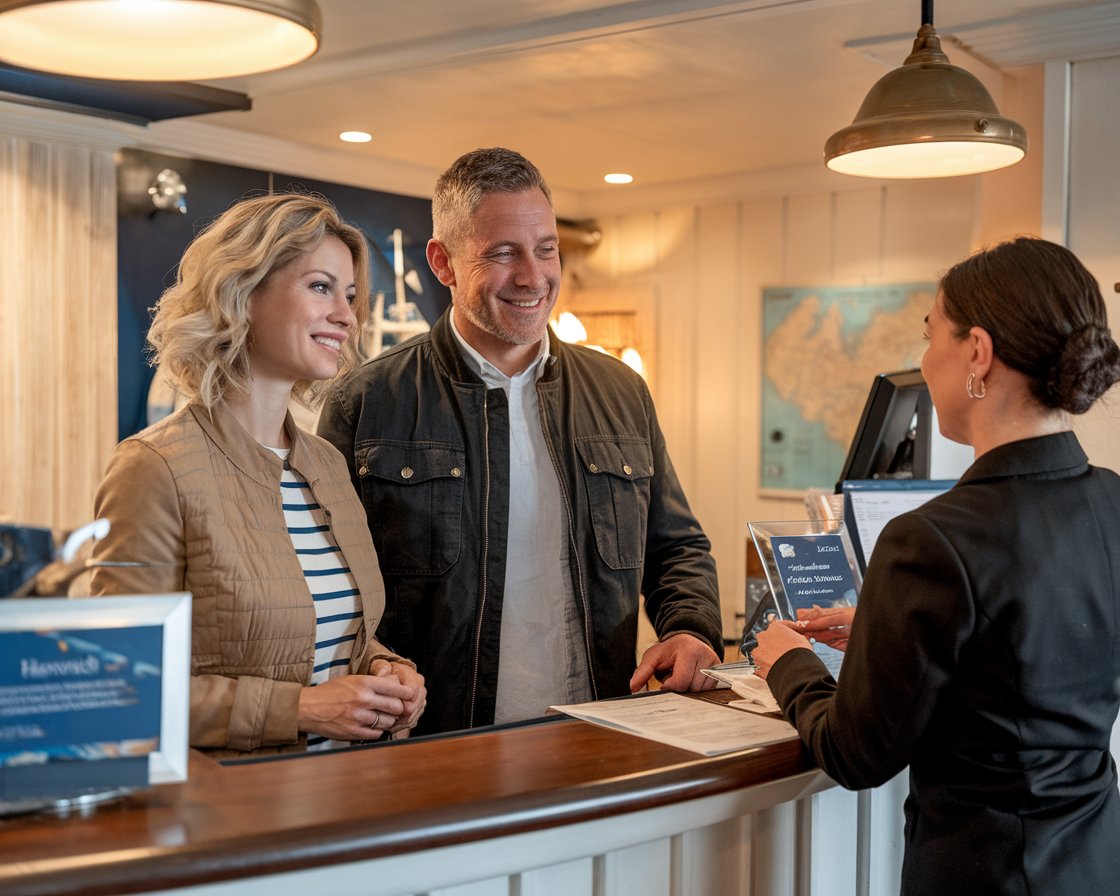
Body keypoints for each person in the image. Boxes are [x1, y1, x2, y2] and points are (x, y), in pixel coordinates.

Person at [753, 236, 1120, 896]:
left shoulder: (932, 539)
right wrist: (884, 624)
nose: (923, 361)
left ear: (977, 352)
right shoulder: (1114, 500)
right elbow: (1044, 640)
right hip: (1093, 862)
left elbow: (855, 753)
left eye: (930, 336)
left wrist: (788, 661)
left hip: (984, 873)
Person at [318, 147, 723, 735]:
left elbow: (676, 547)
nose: (534, 277)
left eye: (546, 249)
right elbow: (330, 587)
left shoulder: (621, 392)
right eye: (503, 254)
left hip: (599, 734)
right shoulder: (367, 401)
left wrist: (689, 628)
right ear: (443, 262)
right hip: (433, 746)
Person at [90, 193, 426, 757]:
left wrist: (386, 668)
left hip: (350, 799)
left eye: (349, 294)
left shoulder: (326, 465)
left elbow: (321, 634)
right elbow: (121, 687)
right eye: (320, 287)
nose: (347, 315)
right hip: (232, 814)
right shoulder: (154, 467)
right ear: (241, 294)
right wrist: (300, 708)